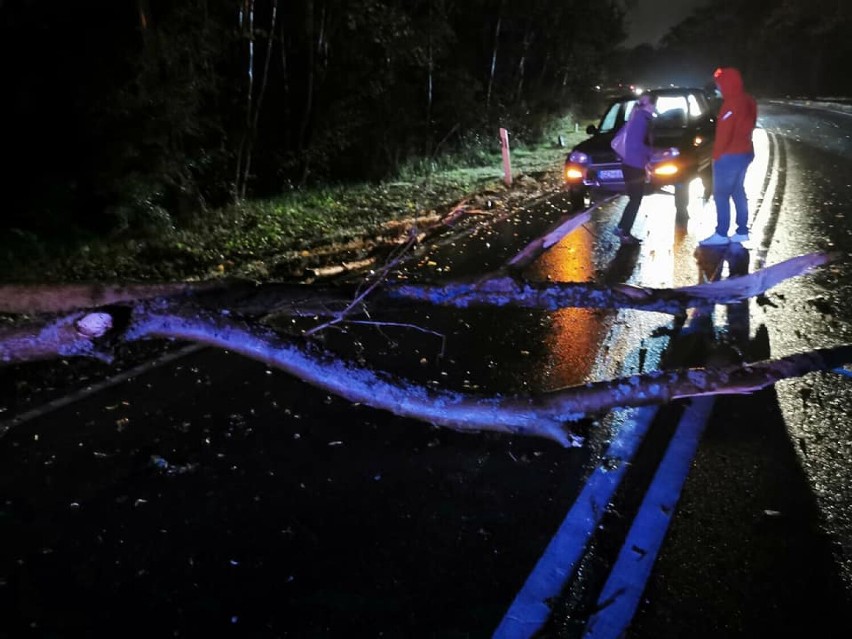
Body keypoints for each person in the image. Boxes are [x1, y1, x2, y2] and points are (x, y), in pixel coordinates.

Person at [699, 67, 758, 246]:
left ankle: (721, 233)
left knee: (721, 194)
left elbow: (724, 135)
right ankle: (741, 230)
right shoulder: (748, 100)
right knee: (738, 191)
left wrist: (716, 157)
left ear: (727, 83)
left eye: (719, 84)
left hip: (730, 156)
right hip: (746, 152)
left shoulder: (730, 105)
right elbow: (752, 123)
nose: (718, 87)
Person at [615, 92, 657, 245]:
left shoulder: (639, 117)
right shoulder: (642, 119)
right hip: (634, 166)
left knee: (634, 199)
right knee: (635, 200)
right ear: (652, 105)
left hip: (630, 164)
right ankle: (624, 232)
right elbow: (636, 144)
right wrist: (652, 154)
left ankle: (622, 228)